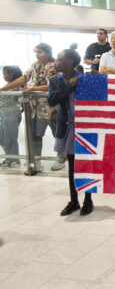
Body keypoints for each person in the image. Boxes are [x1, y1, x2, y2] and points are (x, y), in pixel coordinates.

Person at [1, 43, 58, 174]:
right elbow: (24, 78)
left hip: (50, 106)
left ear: (47, 53)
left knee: (56, 133)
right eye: (36, 52)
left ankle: (62, 157)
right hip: (33, 106)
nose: (37, 54)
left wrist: (31, 89)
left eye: (40, 52)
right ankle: (35, 162)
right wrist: (4, 88)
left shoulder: (54, 66)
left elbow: (51, 86)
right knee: (34, 135)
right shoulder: (34, 65)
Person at [50, 48, 93, 216]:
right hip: (67, 127)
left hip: (85, 127)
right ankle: (73, 200)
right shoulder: (55, 81)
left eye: (59, 59)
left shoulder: (85, 79)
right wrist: (69, 86)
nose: (56, 62)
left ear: (69, 62)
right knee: (72, 166)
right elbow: (53, 100)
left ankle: (88, 200)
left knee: (87, 165)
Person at [0, 65, 23, 167]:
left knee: (10, 137)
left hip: (12, 113)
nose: (3, 76)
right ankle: (10, 156)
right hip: (3, 114)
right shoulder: (7, 85)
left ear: (11, 74)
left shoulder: (19, 85)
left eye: (5, 74)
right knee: (2, 137)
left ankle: (14, 159)